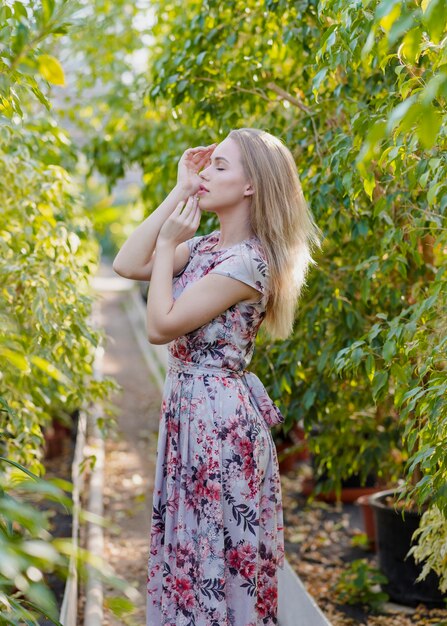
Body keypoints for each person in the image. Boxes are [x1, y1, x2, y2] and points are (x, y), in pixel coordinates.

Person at [112, 127, 322, 625]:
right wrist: (180, 191)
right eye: (208, 165)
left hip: (217, 425)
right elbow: (126, 262)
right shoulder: (207, 247)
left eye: (220, 167)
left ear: (251, 187)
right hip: (192, 414)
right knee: (192, 550)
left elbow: (161, 325)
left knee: (216, 557)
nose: (206, 173)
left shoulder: (247, 263)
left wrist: (168, 246)